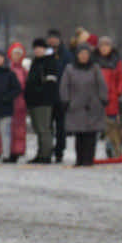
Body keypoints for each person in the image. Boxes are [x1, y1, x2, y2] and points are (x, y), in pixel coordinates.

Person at [59, 44, 108, 167]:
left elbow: (101, 84)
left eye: (86, 54)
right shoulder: (70, 69)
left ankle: (89, 159)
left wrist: (103, 98)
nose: (84, 56)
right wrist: (65, 100)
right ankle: (80, 159)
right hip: (76, 105)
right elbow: (64, 86)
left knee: (91, 135)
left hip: (93, 105)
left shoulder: (95, 68)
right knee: (79, 135)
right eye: (81, 54)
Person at [25, 38, 60, 163]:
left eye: (40, 48)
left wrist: (42, 94)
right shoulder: (35, 62)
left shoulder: (49, 62)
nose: (38, 50)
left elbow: (51, 83)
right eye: (36, 48)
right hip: (34, 101)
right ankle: (41, 152)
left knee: (44, 128)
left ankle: (46, 154)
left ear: (45, 49)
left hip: (44, 101)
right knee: (38, 128)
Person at [0, 42, 28, 162]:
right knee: (5, 129)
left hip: (20, 103)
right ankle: (4, 151)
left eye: (19, 54)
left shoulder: (24, 71)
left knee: (19, 129)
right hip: (8, 102)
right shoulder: (6, 69)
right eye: (15, 53)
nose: (17, 56)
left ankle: (16, 151)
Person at [47, 29, 74, 163]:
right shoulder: (45, 54)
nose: (52, 40)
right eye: (50, 38)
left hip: (62, 95)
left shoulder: (67, 55)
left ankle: (59, 151)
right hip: (47, 96)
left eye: (55, 38)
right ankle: (46, 149)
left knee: (61, 126)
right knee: (47, 126)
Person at [94, 37, 122, 128]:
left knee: (112, 127)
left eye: (107, 45)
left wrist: (118, 91)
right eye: (101, 45)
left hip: (113, 97)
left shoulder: (116, 60)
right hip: (97, 97)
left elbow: (121, 78)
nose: (104, 48)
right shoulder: (93, 60)